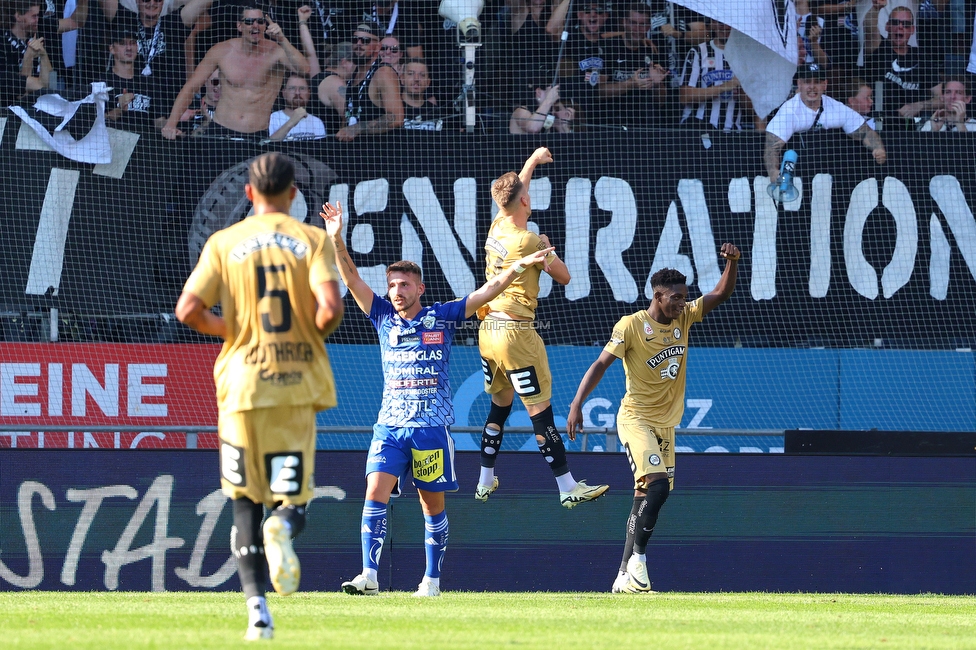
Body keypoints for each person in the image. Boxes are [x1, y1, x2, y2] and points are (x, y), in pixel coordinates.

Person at [321, 201, 554, 597]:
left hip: (430, 429)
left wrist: (519, 266)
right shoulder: (381, 316)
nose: (396, 291)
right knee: (374, 492)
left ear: (420, 288)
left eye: (404, 285)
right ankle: (369, 576)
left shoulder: (441, 316)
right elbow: (351, 277)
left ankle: (431, 580)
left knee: (431, 507)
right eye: (392, 285)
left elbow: (487, 292)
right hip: (389, 427)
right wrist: (336, 238)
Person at [175, 152, 343, 640]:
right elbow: (330, 308)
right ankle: (285, 527)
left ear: (249, 194)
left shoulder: (224, 242)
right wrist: (310, 334)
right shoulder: (311, 239)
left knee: (244, 501)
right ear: (294, 195)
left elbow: (188, 309)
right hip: (295, 385)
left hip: (242, 385)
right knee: (292, 500)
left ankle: (257, 614)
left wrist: (235, 331)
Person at [566, 252, 740, 594]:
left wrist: (732, 263)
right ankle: (639, 561)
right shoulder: (630, 325)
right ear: (657, 295)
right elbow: (601, 364)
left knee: (645, 496)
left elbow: (721, 294)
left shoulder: (685, 318)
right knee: (657, 486)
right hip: (635, 419)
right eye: (675, 298)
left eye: (684, 297)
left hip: (665, 426)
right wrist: (576, 404)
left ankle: (621, 577)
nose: (682, 303)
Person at [475, 147, 609, 509]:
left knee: (500, 405)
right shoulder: (531, 240)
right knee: (540, 413)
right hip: (517, 334)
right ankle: (567, 487)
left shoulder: (498, 225)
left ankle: (485, 480)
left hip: (488, 331)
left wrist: (532, 161)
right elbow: (565, 277)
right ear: (524, 201)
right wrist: (548, 248)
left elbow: (516, 191)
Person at [161, 5, 310, 140]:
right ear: (239, 26)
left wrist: (282, 39)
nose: (255, 25)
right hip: (220, 132)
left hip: (255, 136)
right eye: (249, 21)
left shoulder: (277, 52)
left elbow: (305, 70)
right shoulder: (222, 50)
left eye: (260, 21)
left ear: (266, 26)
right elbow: (191, 87)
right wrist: (171, 123)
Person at [763, 63, 886, 185]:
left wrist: (878, 148)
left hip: (833, 176)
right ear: (799, 84)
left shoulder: (836, 108)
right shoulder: (789, 111)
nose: (812, 87)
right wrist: (773, 171)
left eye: (817, 82)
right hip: (798, 176)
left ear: (824, 85)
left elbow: (865, 132)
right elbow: (772, 147)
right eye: (807, 81)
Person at [863, 5, 941, 126]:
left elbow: (941, 98)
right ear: (887, 26)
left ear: (912, 29)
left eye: (906, 24)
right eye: (895, 23)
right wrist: (876, 7)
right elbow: (869, 29)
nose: (900, 27)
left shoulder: (922, 58)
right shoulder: (878, 48)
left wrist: (918, 106)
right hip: (880, 123)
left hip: (913, 126)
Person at [597, 3, 671, 127]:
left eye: (642, 24)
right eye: (633, 23)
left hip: (644, 125)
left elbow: (661, 102)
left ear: (648, 26)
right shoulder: (608, 48)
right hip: (611, 123)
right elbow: (598, 93)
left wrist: (657, 84)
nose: (637, 28)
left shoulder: (653, 50)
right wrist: (631, 84)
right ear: (624, 22)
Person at [677, 19, 753, 131]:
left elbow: (752, 110)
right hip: (699, 128)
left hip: (733, 132)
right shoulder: (698, 52)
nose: (726, 27)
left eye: (731, 24)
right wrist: (726, 86)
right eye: (721, 23)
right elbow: (685, 96)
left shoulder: (746, 58)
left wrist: (743, 91)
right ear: (712, 24)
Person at [335, 22, 403, 141]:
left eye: (365, 40)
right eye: (355, 40)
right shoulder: (354, 73)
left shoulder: (383, 72)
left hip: (378, 154)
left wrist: (358, 128)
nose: (358, 44)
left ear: (377, 47)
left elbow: (397, 118)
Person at [269, 73, 327, 140]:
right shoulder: (272, 119)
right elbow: (268, 145)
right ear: (284, 93)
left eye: (302, 88)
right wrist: (292, 121)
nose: (297, 93)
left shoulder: (317, 122)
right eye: (292, 88)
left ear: (309, 93)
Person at [510, 84, 576, 133]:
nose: (555, 97)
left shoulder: (548, 118)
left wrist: (565, 123)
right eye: (551, 92)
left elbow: (551, 133)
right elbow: (533, 127)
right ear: (539, 92)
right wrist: (549, 100)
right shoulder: (521, 111)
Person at [400, 58, 443, 131]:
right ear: (402, 79)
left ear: (428, 82)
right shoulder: (393, 109)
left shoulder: (435, 112)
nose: (416, 79)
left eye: (422, 75)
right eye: (411, 74)